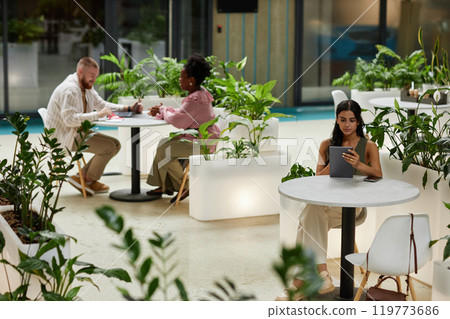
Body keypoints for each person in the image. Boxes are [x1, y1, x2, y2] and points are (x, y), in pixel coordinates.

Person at [275, 99, 383, 301]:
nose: (347, 124)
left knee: (307, 219)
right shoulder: (326, 145)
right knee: (312, 211)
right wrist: (332, 165)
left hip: (352, 206)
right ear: (336, 119)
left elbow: (377, 173)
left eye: (352, 120)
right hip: (327, 202)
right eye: (342, 119)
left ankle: (300, 283)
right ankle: (321, 274)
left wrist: (359, 165)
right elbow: (317, 179)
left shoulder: (369, 146)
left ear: (358, 121)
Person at [46, 57, 143, 196]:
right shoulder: (70, 90)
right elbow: (69, 120)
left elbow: (102, 104)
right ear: (80, 72)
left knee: (115, 144)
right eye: (92, 76)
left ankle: (83, 178)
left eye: (96, 76)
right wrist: (97, 115)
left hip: (75, 131)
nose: (94, 80)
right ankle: (89, 179)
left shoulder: (86, 86)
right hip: (65, 136)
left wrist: (128, 108)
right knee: (108, 147)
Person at [146, 53, 220, 203]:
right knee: (163, 143)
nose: (179, 80)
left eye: (182, 77)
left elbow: (178, 121)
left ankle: (186, 186)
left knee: (164, 151)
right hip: (202, 139)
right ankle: (163, 186)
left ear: (191, 81)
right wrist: (163, 110)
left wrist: (163, 110)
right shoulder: (200, 93)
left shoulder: (195, 100)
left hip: (201, 143)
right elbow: (182, 114)